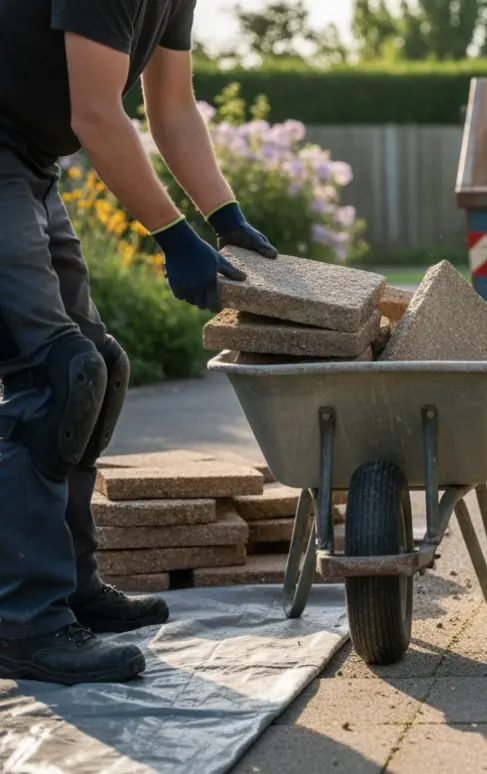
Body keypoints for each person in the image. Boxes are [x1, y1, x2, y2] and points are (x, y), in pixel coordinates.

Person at [0, 0, 277, 685]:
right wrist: (172, 235)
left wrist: (225, 216)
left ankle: (68, 587)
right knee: (53, 377)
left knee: (99, 366)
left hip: (28, 162)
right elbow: (95, 114)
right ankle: (24, 623)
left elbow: (172, 108)